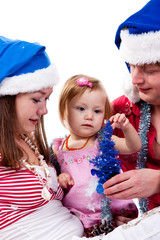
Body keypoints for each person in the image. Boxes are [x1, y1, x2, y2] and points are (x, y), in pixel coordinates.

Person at [0, 36, 84, 240]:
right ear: (7, 97)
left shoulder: (26, 139)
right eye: (36, 99)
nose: (45, 109)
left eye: (47, 98)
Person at [52, 74, 140, 237]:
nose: (89, 116)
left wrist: (126, 128)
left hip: (112, 213)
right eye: (81, 108)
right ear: (64, 110)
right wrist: (61, 177)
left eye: (97, 111)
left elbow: (133, 146)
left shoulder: (103, 140)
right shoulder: (59, 147)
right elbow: (54, 175)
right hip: (80, 218)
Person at [103, 0, 160, 214]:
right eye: (132, 65)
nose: (135, 79)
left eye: (149, 69)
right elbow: (74, 146)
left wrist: (157, 181)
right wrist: (117, 213)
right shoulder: (122, 110)